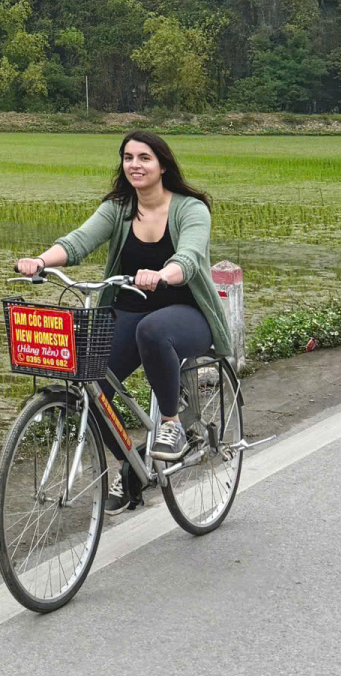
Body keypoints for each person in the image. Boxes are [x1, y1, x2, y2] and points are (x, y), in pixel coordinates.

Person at [15, 131, 233, 505]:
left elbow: (191, 257)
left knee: (153, 330)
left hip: (185, 314)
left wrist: (164, 274)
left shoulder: (190, 209)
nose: (135, 164)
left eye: (144, 157)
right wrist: (40, 261)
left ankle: (170, 425)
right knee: (87, 383)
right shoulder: (118, 207)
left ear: (162, 165)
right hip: (127, 310)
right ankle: (129, 464)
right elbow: (79, 241)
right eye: (128, 157)